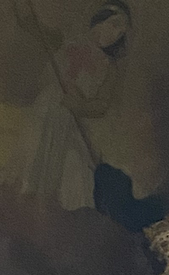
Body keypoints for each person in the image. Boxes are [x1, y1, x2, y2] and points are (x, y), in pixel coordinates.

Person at [12, 1, 130, 212]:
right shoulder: (65, 41)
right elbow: (31, 25)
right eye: (114, 25)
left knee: (72, 174)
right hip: (46, 114)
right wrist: (24, 10)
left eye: (120, 32)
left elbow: (101, 106)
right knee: (34, 163)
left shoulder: (109, 68)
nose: (115, 34)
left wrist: (79, 105)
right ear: (100, 20)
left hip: (74, 125)